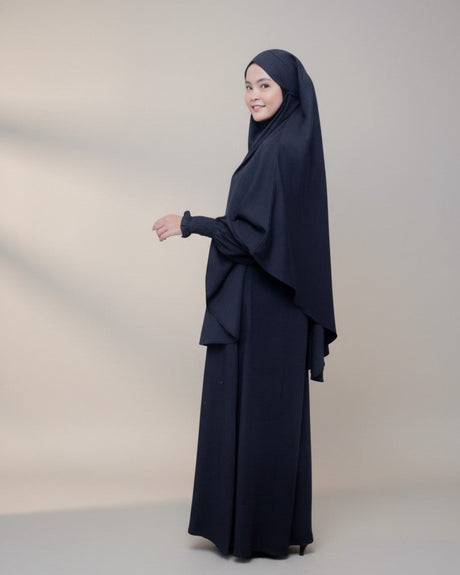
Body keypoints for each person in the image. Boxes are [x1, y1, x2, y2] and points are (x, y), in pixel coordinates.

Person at [152, 49, 337, 559]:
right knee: (263, 412)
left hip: (266, 308)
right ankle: (259, 529)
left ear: (288, 92)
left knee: (259, 413)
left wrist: (190, 223)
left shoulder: (281, 150)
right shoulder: (286, 142)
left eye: (265, 86)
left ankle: (253, 532)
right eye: (248, 86)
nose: (254, 96)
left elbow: (252, 237)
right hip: (270, 306)